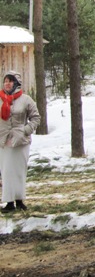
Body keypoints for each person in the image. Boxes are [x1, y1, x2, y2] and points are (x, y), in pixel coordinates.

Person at [0, 71, 40, 213]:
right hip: (3, 140)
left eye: (10, 81)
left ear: (16, 83)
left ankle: (20, 201)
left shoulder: (26, 99)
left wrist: (26, 130)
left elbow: (36, 118)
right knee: (6, 172)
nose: (7, 84)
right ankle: (9, 202)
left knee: (19, 171)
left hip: (20, 140)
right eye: (5, 81)